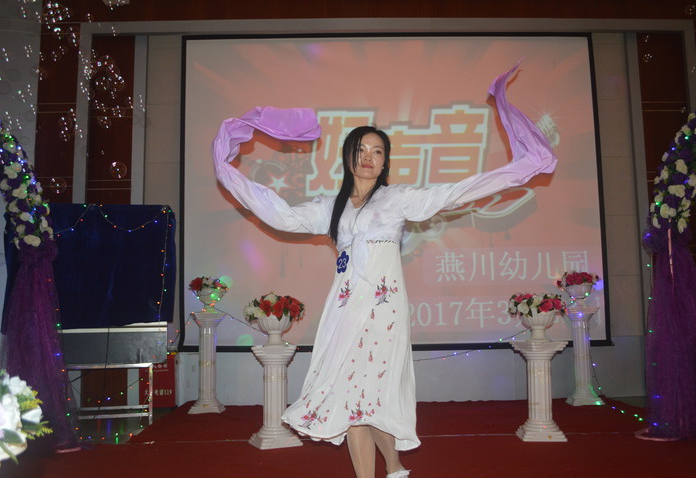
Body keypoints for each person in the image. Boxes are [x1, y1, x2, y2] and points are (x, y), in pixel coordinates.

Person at [212, 63, 557, 478]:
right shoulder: (329, 207)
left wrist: (517, 170)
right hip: (345, 312)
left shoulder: (398, 199)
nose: (368, 158)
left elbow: (455, 193)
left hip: (383, 314)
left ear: (385, 160)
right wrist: (229, 173)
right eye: (361, 150)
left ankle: (393, 466)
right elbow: (281, 215)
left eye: (377, 151)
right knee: (353, 399)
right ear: (349, 157)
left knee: (371, 394)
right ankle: (391, 471)